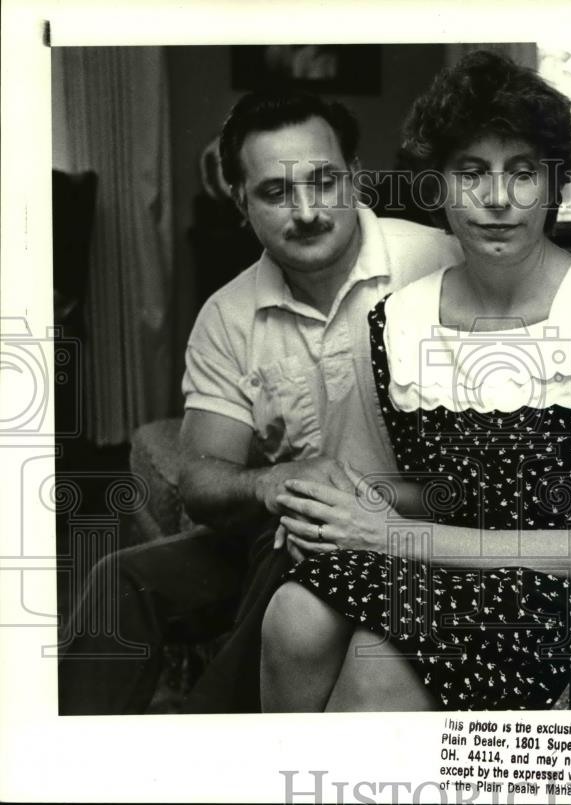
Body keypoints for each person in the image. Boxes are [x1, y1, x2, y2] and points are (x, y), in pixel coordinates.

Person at [258, 51, 571, 712]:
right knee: (292, 614)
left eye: (522, 172)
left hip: (556, 585)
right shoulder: (399, 321)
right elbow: (450, 492)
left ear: (554, 185)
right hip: (440, 560)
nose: (498, 198)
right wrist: (336, 504)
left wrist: (394, 537)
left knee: (376, 664)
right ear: (437, 186)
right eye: (471, 172)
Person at [57, 90, 462, 714]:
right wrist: (272, 482)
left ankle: (210, 742)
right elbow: (199, 476)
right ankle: (66, 766)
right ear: (240, 203)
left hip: (417, 525)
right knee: (119, 580)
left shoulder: (438, 260)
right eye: (275, 192)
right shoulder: (227, 315)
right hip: (284, 530)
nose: (306, 212)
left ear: (355, 177)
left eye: (325, 182)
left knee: (297, 561)